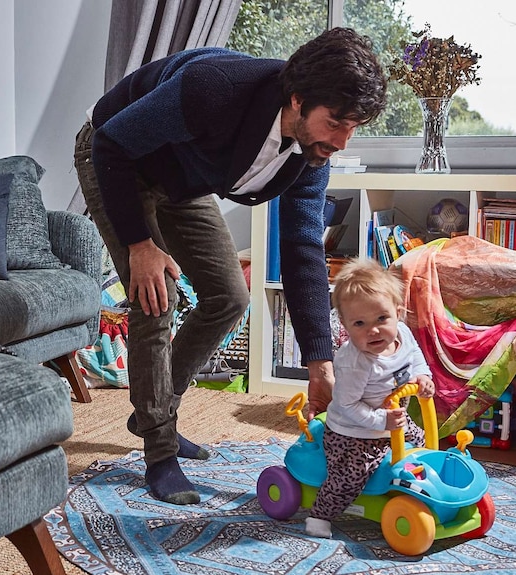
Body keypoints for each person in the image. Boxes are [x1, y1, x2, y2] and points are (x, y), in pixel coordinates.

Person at [73, 28, 387, 505]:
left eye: (353, 127)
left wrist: (318, 362)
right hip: (115, 157)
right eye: (336, 122)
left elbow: (302, 248)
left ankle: (153, 410)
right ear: (298, 100)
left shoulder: (312, 152)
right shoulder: (213, 86)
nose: (342, 140)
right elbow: (113, 144)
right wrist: (140, 245)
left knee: (229, 297)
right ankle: (159, 452)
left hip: (180, 176)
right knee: (154, 299)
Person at [305, 257, 435, 538]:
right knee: (352, 476)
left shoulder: (403, 333)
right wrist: (381, 420)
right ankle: (319, 515)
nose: (373, 330)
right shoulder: (356, 362)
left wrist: (424, 377)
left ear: (398, 313)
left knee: (423, 445)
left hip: (393, 420)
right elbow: (346, 405)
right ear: (345, 326)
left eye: (381, 319)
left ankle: (422, 491)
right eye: (360, 323)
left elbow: (416, 359)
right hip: (354, 432)